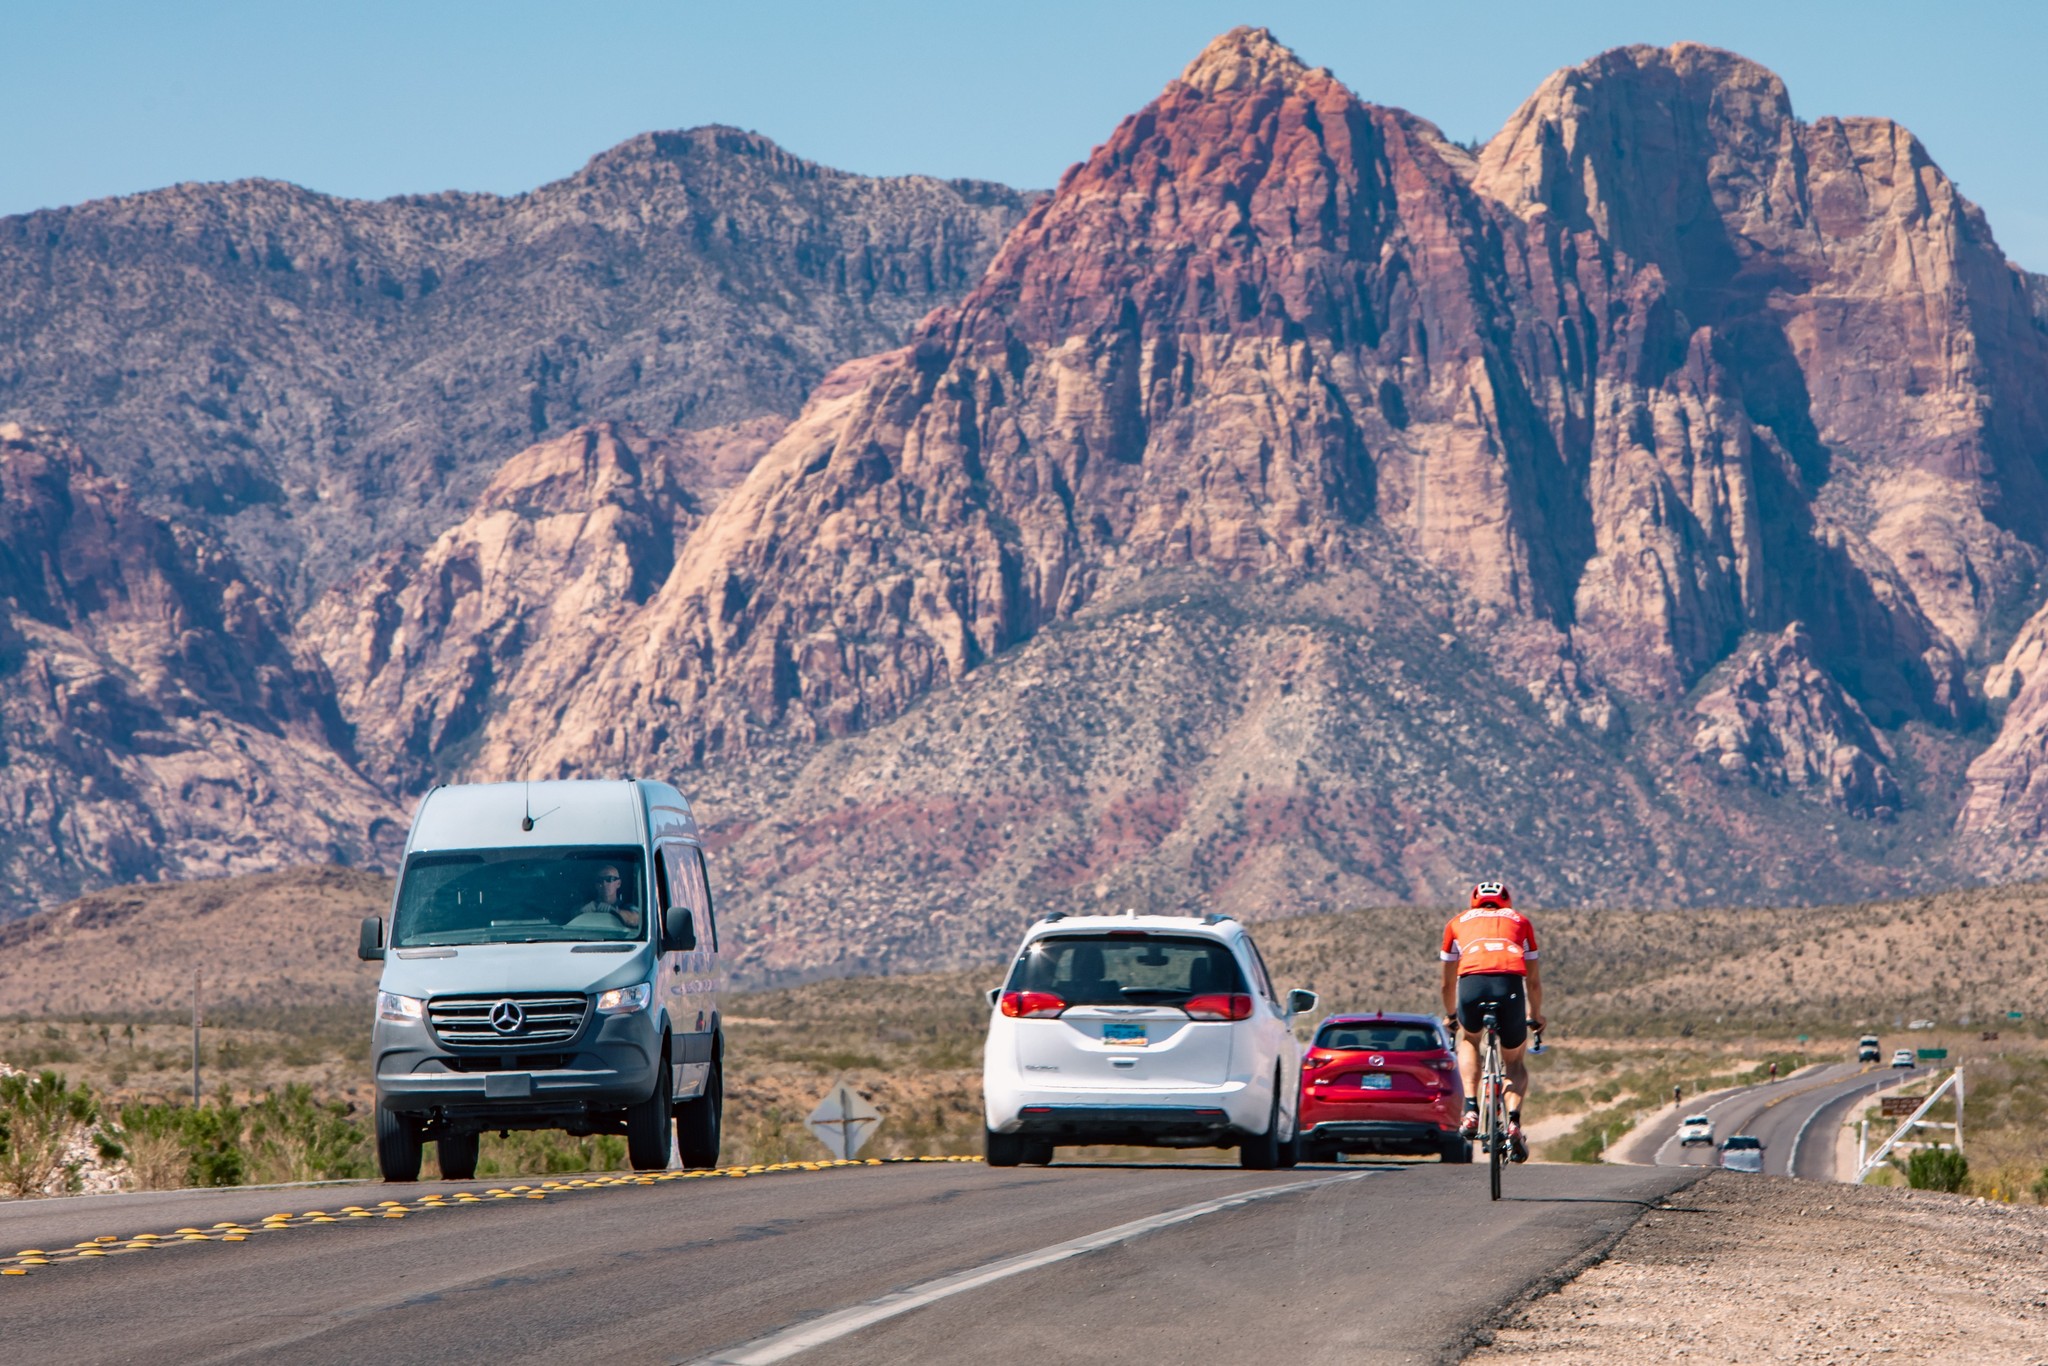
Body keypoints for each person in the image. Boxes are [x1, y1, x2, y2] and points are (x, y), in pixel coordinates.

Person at [1440, 880, 1544, 1163]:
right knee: (1514, 1061)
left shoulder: (1457, 922)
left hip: (1471, 986)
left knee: (1470, 1039)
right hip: (1509, 986)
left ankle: (1471, 1108)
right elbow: (1533, 982)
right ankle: (1513, 1122)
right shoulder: (1521, 921)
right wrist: (1535, 1016)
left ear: (1474, 901)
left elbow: (1447, 984)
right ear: (1506, 901)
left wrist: (1451, 1016)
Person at [566, 863, 642, 935]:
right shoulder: (586, 906)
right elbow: (569, 919)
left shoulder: (627, 907)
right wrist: (581, 913)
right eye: (600, 880)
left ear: (618, 883)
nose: (604, 883)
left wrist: (614, 911)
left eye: (610, 879)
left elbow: (637, 919)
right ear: (596, 885)